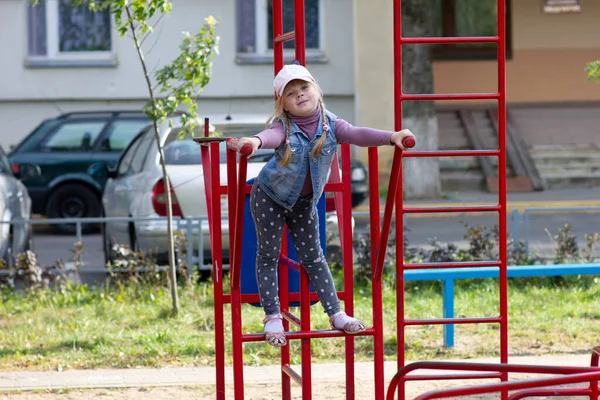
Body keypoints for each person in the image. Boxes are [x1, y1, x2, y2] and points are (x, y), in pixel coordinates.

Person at [227, 63, 415, 347]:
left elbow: (358, 134)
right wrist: (254, 141)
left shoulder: (332, 125)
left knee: (314, 258)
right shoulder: (284, 127)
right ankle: (273, 316)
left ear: (317, 90)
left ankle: (336, 313)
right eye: (291, 93)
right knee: (268, 254)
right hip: (269, 197)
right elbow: (270, 137)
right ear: (284, 105)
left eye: (304, 87)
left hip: (304, 202)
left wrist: (392, 137)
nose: (300, 95)